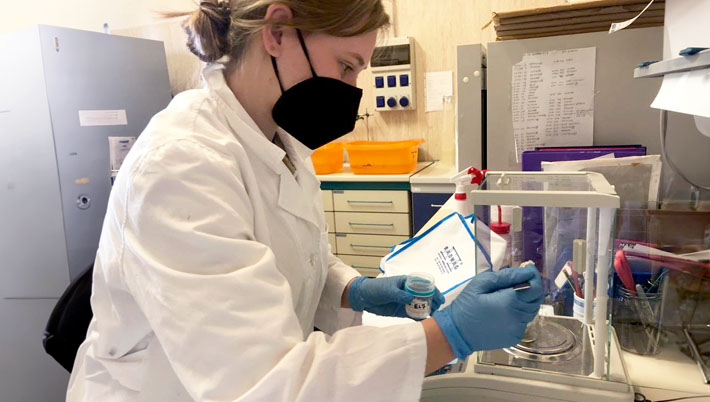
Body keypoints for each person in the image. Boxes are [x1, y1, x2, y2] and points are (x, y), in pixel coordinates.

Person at [66, 1, 544, 401]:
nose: (353, 90)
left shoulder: (280, 139)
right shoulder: (181, 166)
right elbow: (265, 382)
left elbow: (286, 251)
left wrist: (348, 289)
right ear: (277, 32)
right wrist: (448, 337)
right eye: (345, 65)